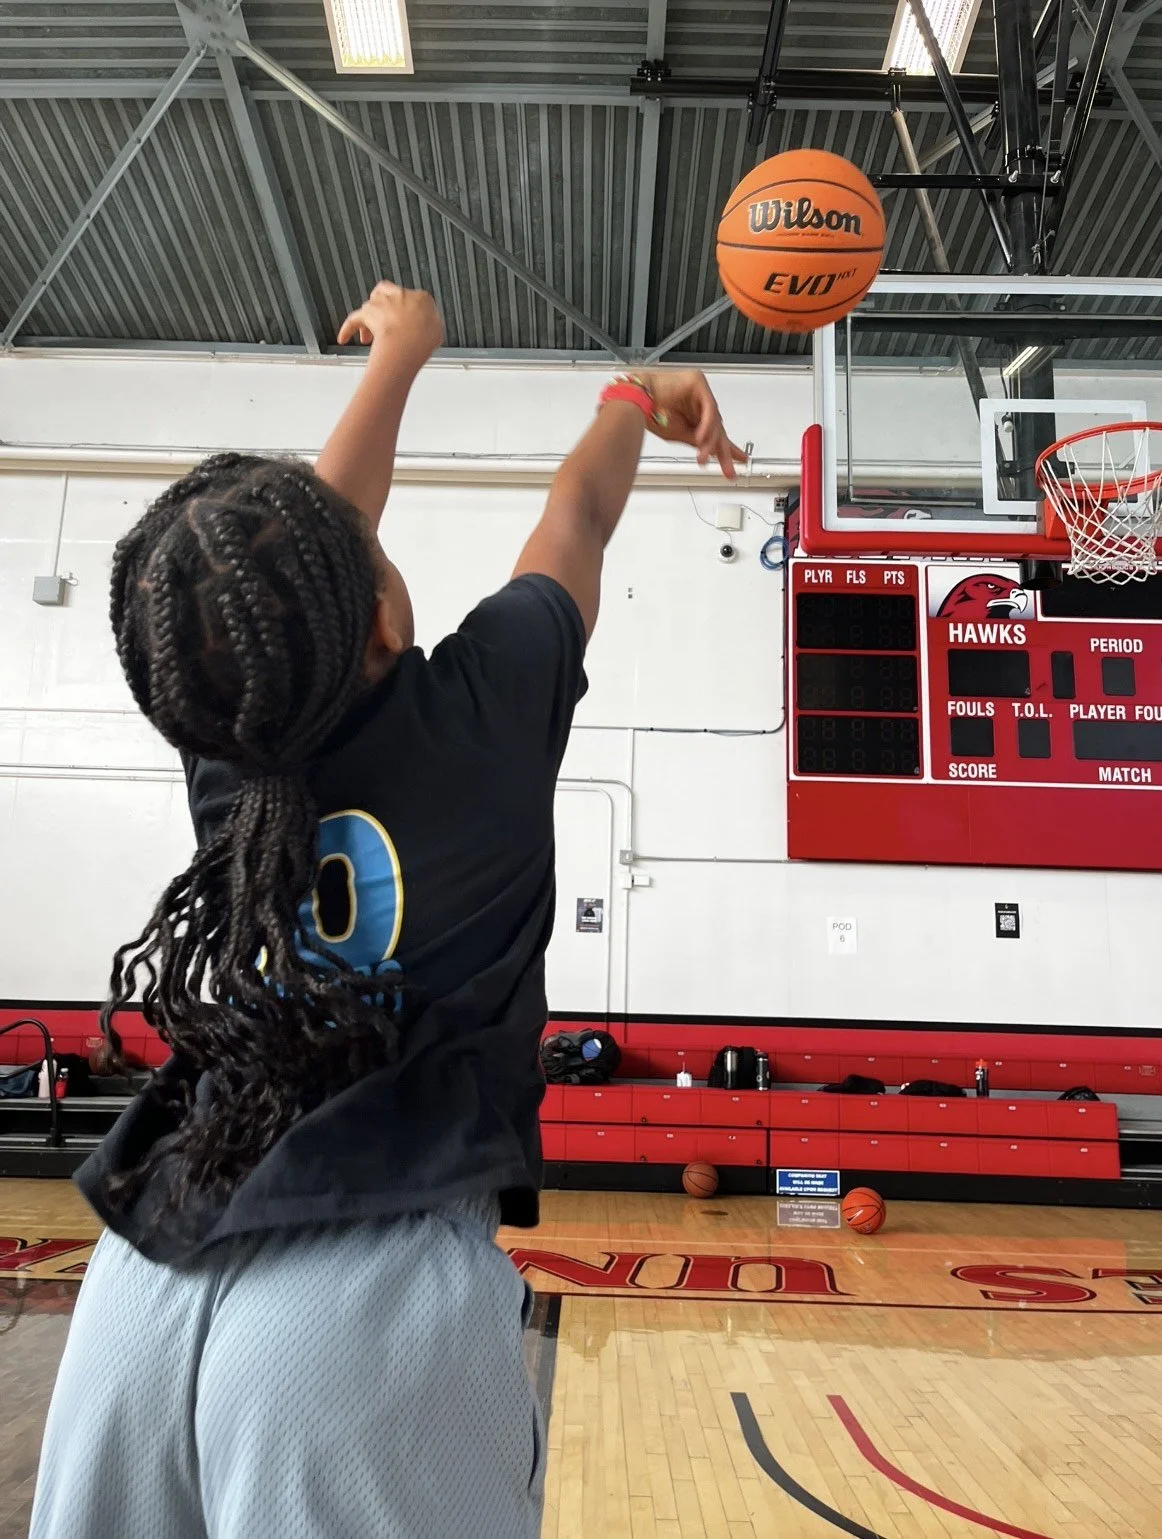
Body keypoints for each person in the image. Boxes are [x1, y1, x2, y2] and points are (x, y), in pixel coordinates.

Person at [30, 282, 744, 1539]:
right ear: (375, 612)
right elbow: (576, 510)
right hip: (359, 1308)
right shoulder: (489, 714)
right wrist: (638, 398)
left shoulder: (232, 747)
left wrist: (399, 364)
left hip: (146, 1269)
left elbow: (288, 568)